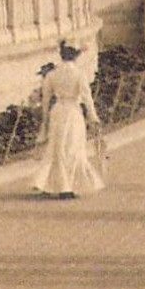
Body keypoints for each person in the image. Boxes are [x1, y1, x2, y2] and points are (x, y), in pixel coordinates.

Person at [32, 43, 104, 198]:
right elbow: (87, 98)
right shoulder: (79, 74)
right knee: (73, 148)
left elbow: (45, 100)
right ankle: (68, 187)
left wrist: (45, 120)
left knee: (56, 148)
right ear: (76, 56)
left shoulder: (52, 75)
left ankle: (52, 185)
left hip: (57, 112)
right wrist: (93, 117)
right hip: (73, 113)